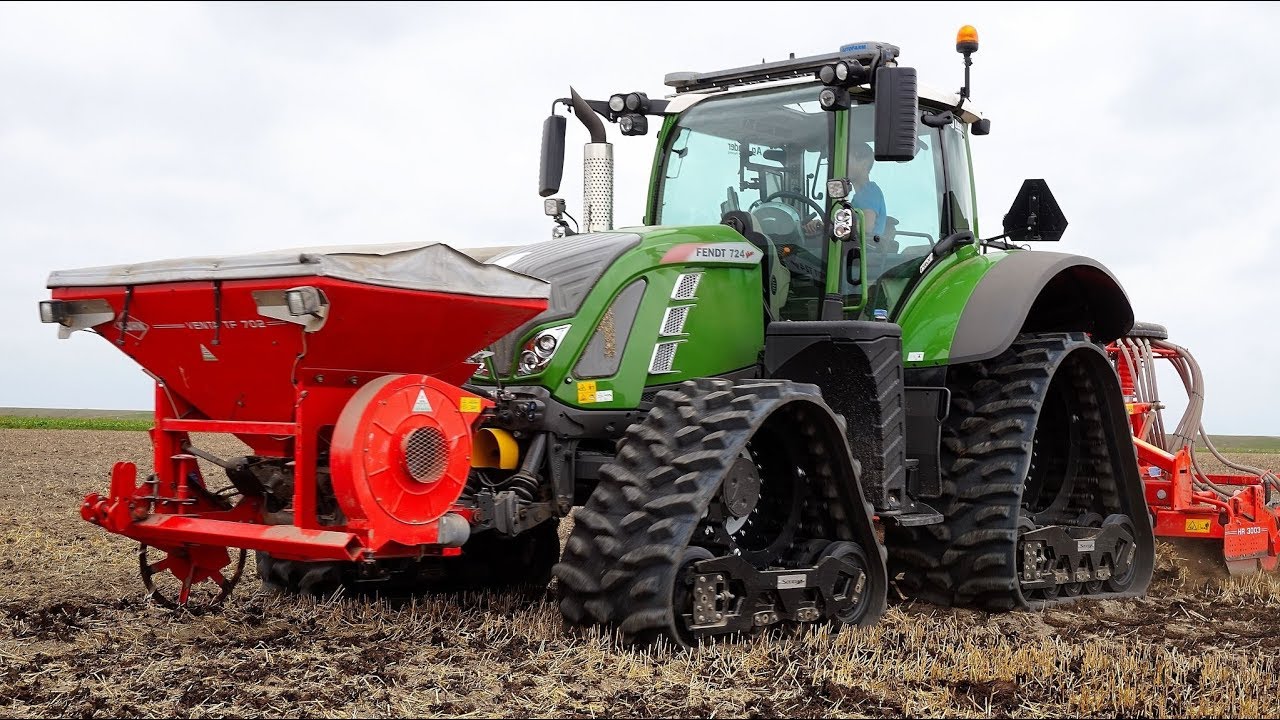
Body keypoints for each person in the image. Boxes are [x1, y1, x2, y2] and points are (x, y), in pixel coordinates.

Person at [803, 142, 886, 239]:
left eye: (845, 161)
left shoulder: (869, 191)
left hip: (863, 249)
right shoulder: (858, 197)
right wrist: (823, 225)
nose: (841, 166)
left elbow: (866, 227)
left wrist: (830, 228)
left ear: (864, 164)